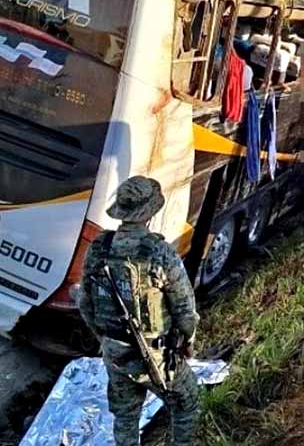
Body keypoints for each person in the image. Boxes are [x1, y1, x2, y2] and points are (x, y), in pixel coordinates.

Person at [79, 176, 200, 446]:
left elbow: (85, 302)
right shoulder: (160, 253)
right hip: (154, 356)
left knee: (125, 417)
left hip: (115, 353)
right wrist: (187, 342)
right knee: (187, 404)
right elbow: (184, 310)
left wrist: (104, 338)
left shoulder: (99, 248)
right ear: (150, 212)